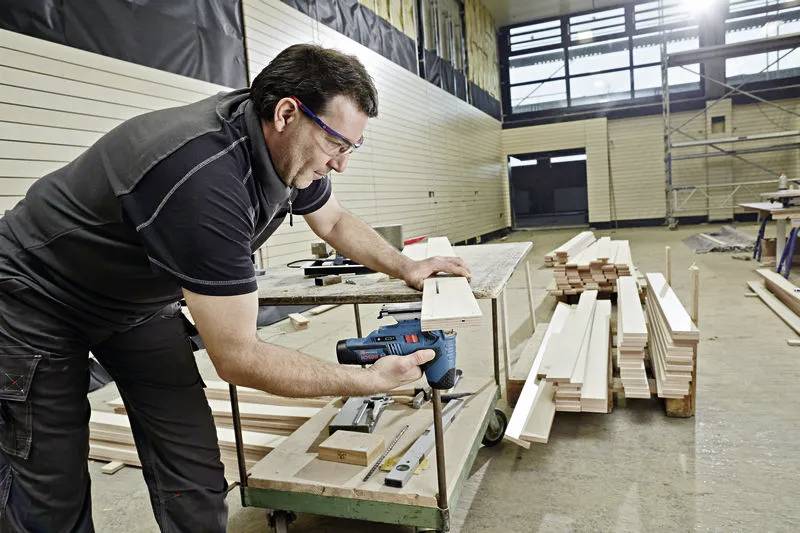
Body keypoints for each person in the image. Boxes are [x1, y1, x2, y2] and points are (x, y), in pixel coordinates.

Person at [0, 44, 470, 532]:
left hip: (133, 301)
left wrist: (406, 267)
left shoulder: (285, 147)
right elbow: (238, 357)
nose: (341, 164)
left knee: (192, 466)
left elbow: (332, 221)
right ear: (288, 112)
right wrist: (369, 381)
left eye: (352, 147)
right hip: (37, 293)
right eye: (337, 144)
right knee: (51, 484)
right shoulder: (204, 179)